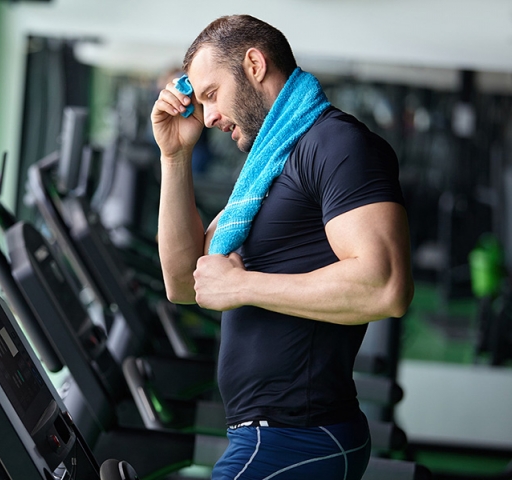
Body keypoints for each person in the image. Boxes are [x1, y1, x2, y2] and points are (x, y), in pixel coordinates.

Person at [151, 14, 414, 480]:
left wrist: (244, 285)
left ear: (254, 65)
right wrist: (175, 157)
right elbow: (184, 282)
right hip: (269, 436)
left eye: (212, 95)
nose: (208, 117)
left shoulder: (336, 144)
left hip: (299, 435)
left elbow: (385, 285)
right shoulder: (268, 164)